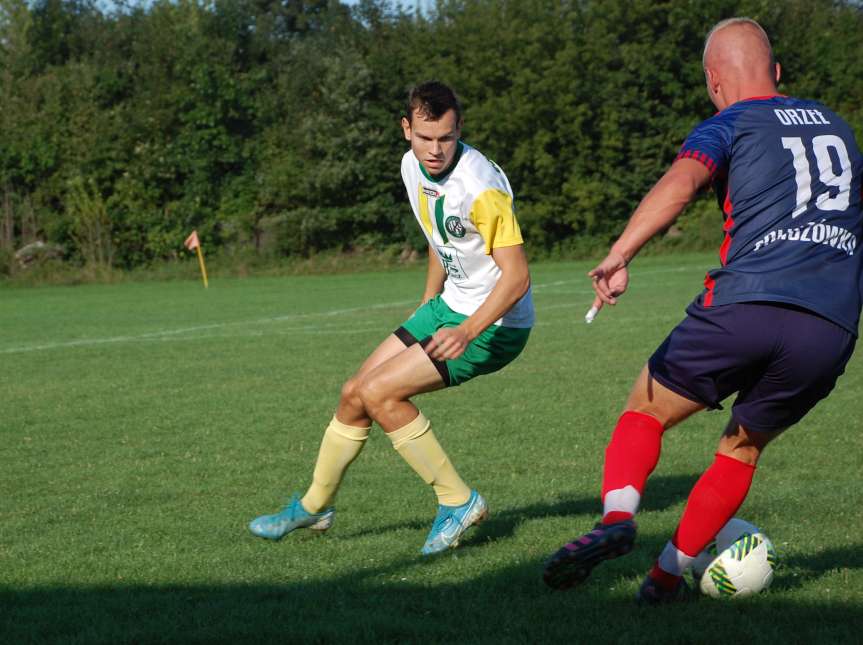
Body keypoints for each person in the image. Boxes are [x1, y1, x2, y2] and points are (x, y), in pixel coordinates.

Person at [543, 17, 862, 603]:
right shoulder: (839, 128)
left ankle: (617, 519)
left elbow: (682, 182)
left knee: (645, 406)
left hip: (746, 303)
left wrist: (620, 252)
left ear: (715, 82)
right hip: (832, 325)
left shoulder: (731, 121)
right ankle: (664, 578)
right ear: (779, 73)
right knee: (741, 448)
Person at [248, 81, 534, 555]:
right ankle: (314, 505)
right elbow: (437, 235)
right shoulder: (411, 166)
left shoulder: (480, 187)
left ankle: (458, 501)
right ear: (407, 129)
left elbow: (517, 276)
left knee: (380, 392)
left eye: (445, 137)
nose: (435, 149)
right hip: (450, 306)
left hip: (494, 325)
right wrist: (429, 301)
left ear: (458, 128)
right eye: (425, 137)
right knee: (353, 393)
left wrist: (466, 330)